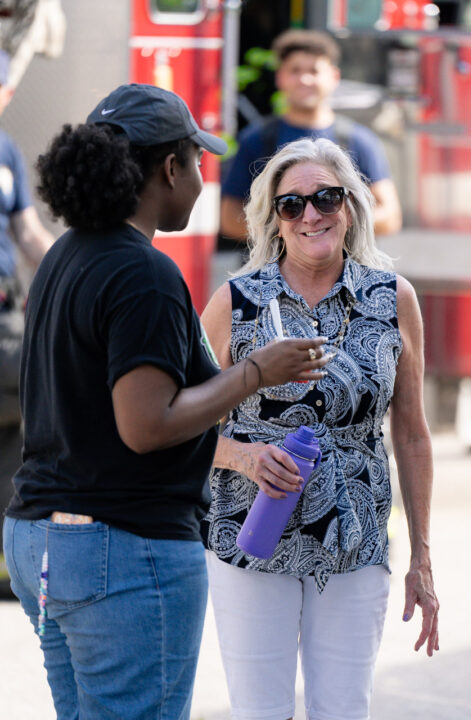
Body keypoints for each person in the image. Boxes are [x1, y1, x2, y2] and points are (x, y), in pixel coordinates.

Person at [2, 83, 329, 720]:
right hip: (121, 551)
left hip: (43, 541)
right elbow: (146, 425)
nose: (206, 181)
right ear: (169, 168)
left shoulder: (64, 258)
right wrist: (255, 372)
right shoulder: (142, 274)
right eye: (199, 163)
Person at [202, 136, 439, 720]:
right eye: (292, 204)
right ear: (273, 220)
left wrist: (422, 557)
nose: (311, 214)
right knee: (261, 712)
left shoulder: (393, 298)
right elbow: (181, 423)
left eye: (327, 198)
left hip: (356, 539)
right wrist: (244, 458)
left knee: (343, 711)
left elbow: (411, 433)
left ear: (351, 207)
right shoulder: (236, 302)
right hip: (250, 536)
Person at [220, 28, 402, 255]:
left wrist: (331, 224)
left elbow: (390, 216)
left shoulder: (359, 141)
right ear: (280, 77)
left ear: (334, 77)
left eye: (314, 70)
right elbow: (229, 218)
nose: (304, 79)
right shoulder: (256, 140)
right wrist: (290, 226)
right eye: (295, 70)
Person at [0, 46, 54, 594]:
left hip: (5, 317)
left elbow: (28, 233)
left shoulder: (7, 151)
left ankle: (6, 565)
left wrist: (78, 269)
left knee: (19, 424)